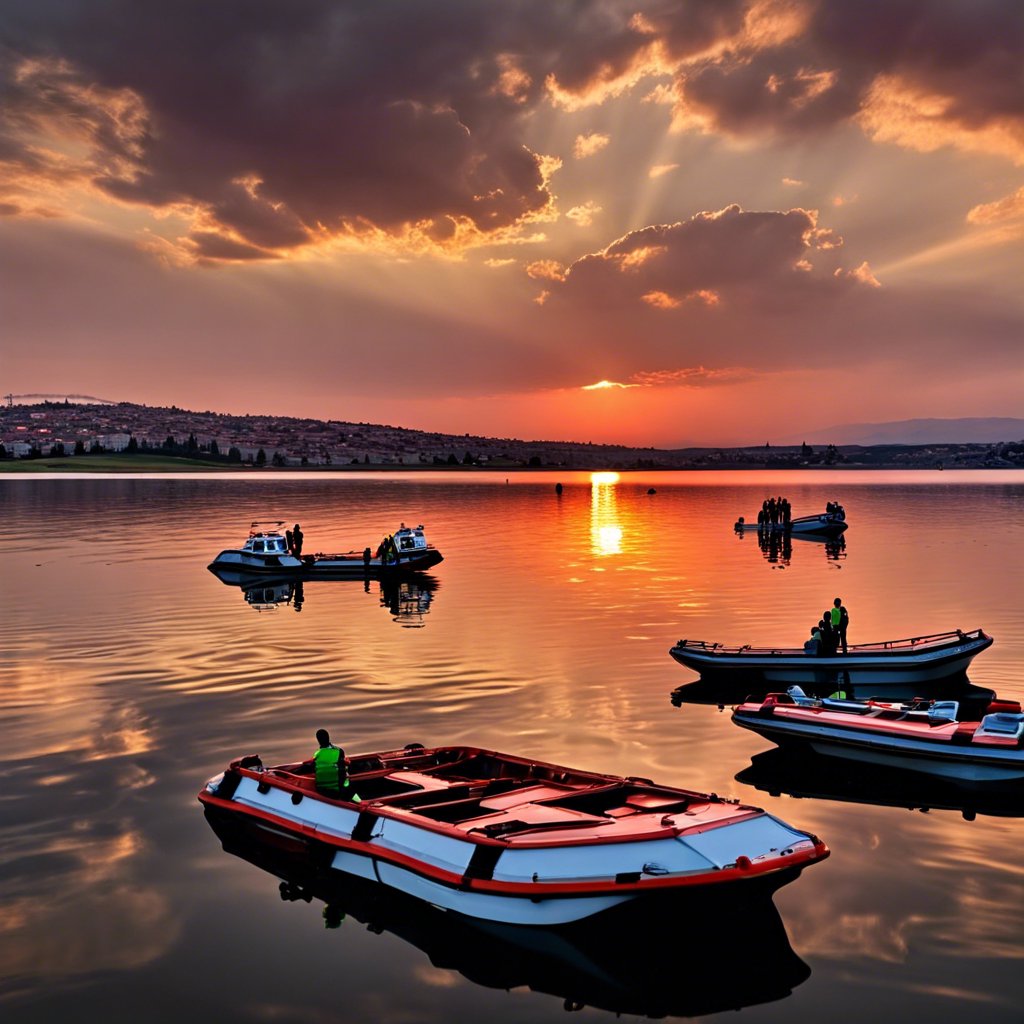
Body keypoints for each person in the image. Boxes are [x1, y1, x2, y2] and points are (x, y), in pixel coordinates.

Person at [312, 729, 360, 802]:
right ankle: (360, 801)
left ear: (318, 741)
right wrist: (348, 764)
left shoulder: (316, 755)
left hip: (321, 791)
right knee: (350, 780)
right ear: (328, 737)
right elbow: (342, 773)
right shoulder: (339, 751)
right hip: (337, 793)